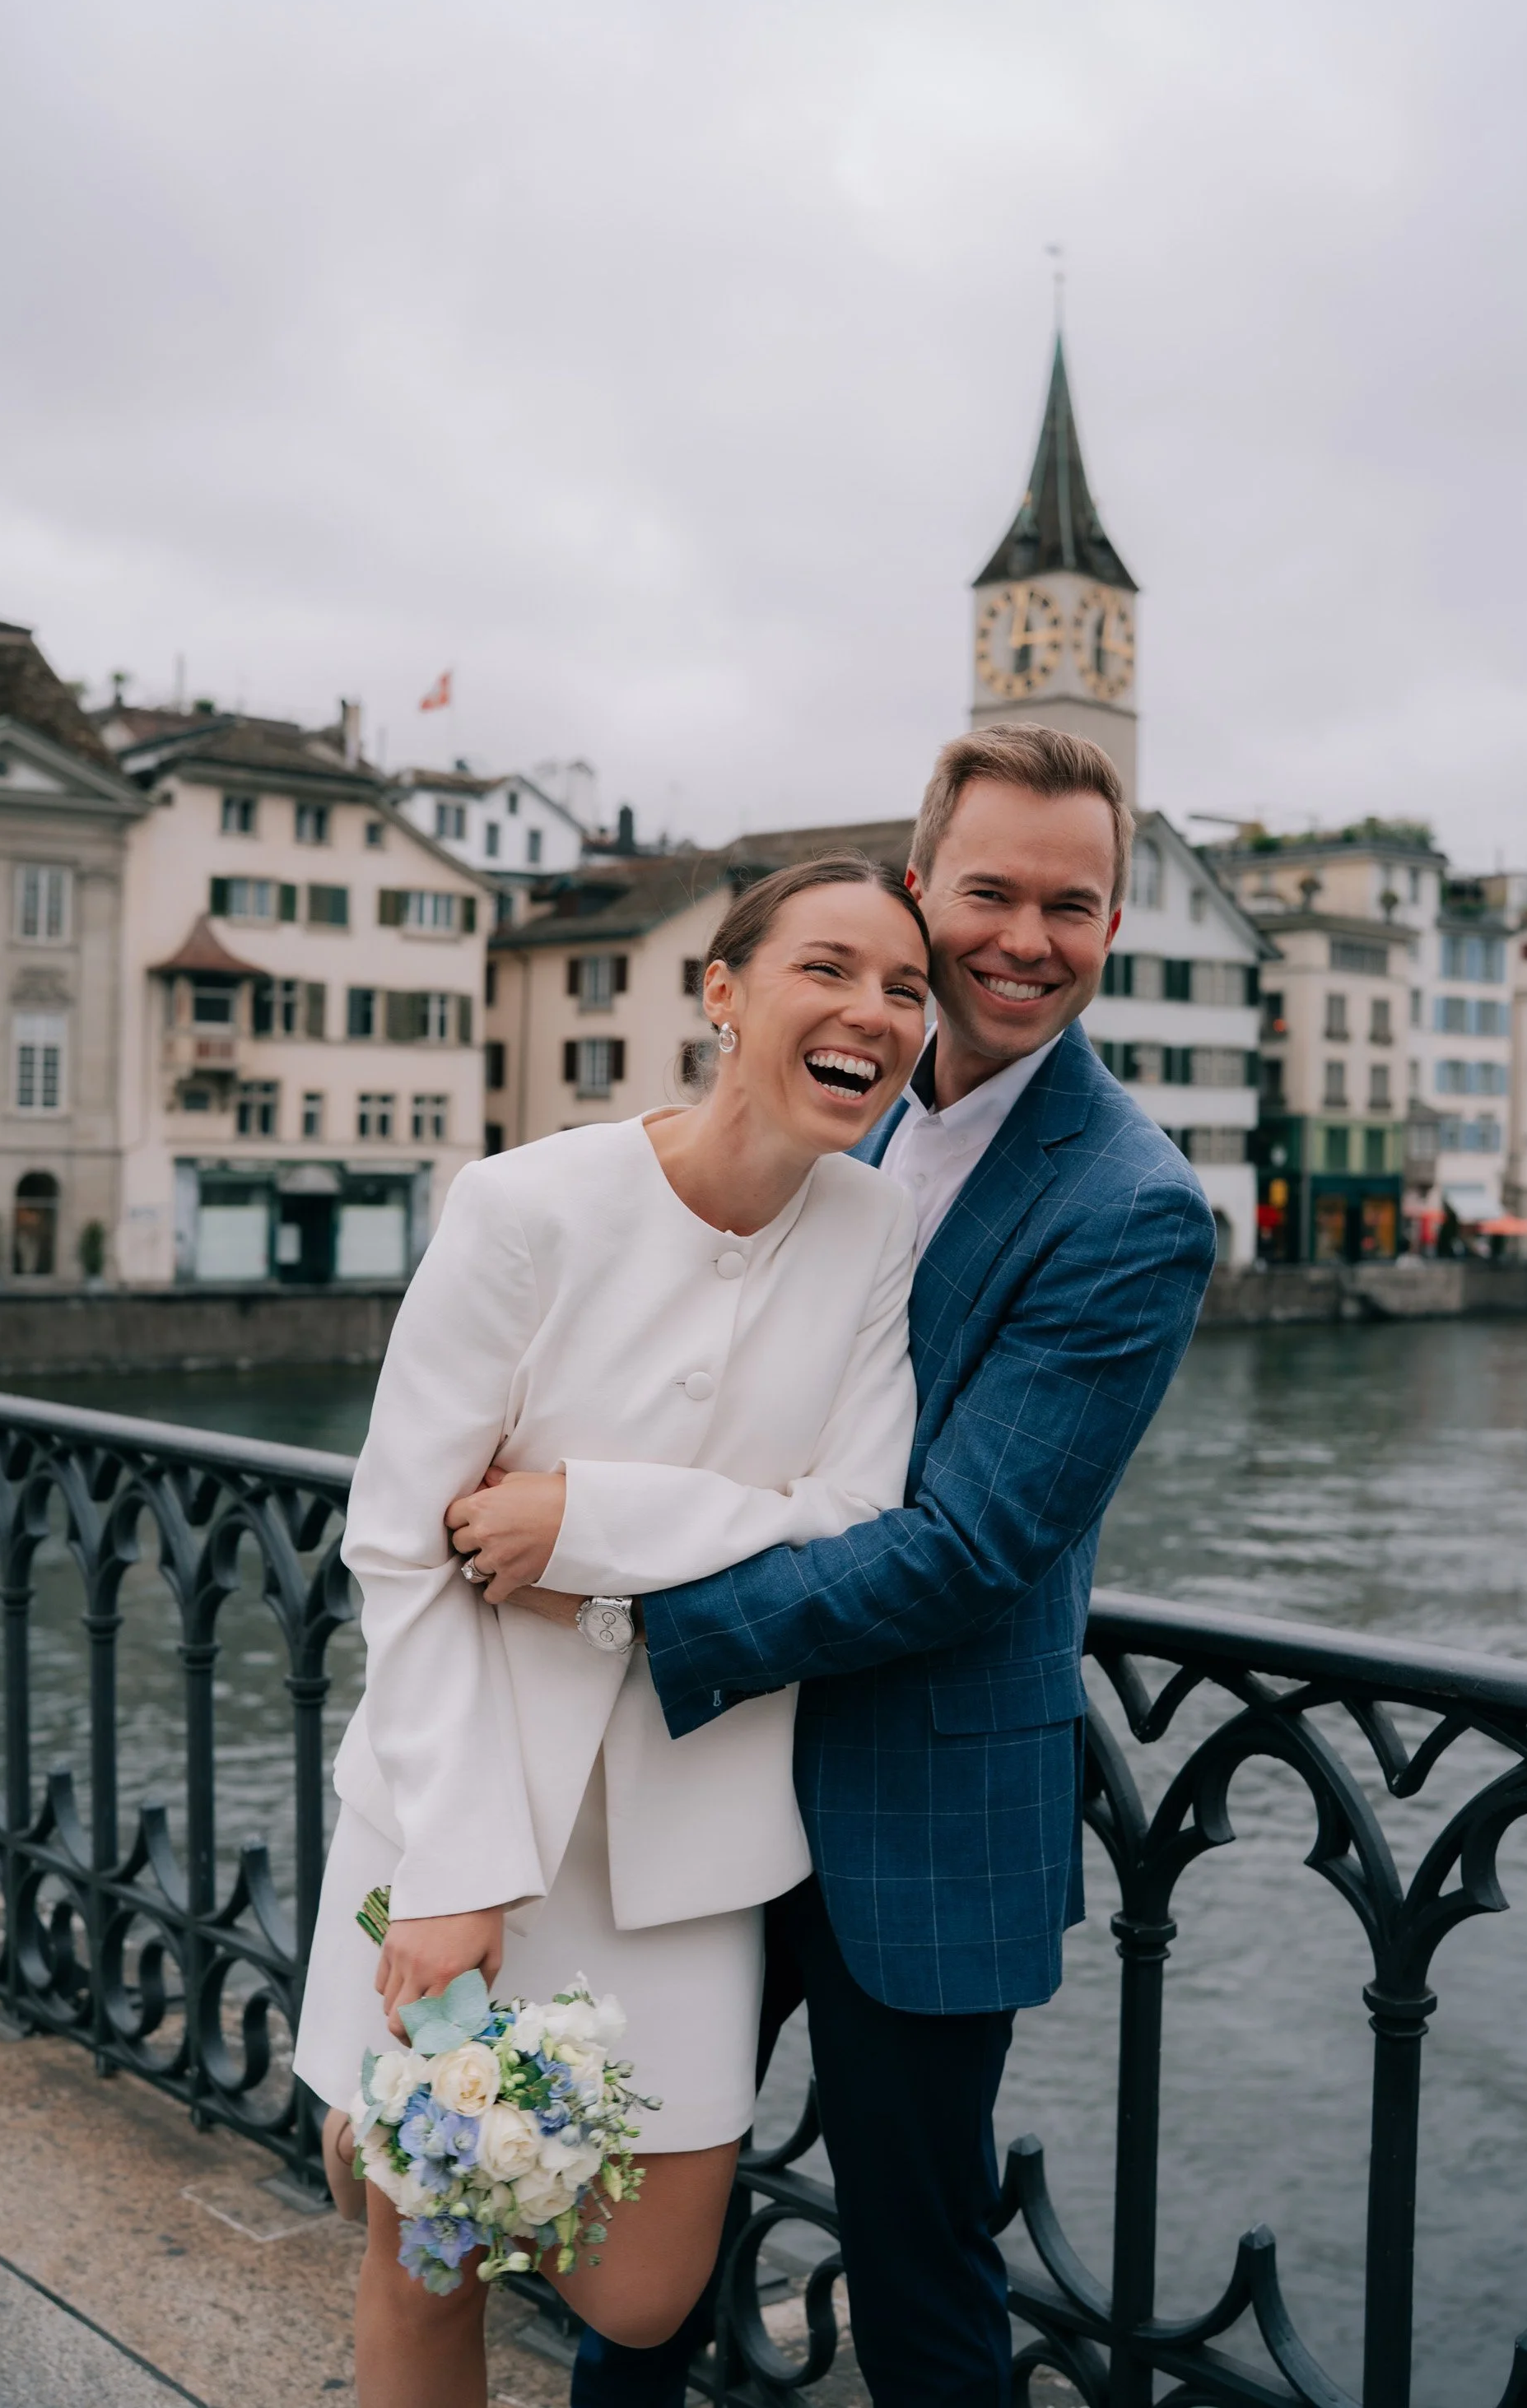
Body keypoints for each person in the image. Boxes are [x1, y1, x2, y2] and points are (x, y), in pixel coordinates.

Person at [467, 723, 1218, 2406]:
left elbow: (966, 1553)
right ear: (918, 893)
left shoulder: (1131, 1204)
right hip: (713, 1786)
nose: (1028, 938)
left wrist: (616, 1590)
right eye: (992, 893)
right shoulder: (845, 1107)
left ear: (1113, 930)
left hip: (918, 1815)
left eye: (1073, 906)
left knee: (921, 2274)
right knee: (627, 2213)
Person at [294, 854, 934, 2406]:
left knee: (647, 2295)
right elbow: (402, 1546)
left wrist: (583, 1518)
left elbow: (853, 1512)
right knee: (429, 2263)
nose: (875, 1012)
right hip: (463, 1809)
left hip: (685, 1845)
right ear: (723, 991)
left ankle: (378, 2137)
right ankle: (396, 2163)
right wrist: (452, 1877)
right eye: (830, 970)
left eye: (907, 989)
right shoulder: (525, 1207)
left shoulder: (873, 1226)